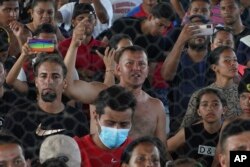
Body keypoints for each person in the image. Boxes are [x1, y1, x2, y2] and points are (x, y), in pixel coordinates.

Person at [64, 19, 167, 144]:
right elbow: (69, 87)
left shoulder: (156, 106)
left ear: (147, 71)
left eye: (141, 64)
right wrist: (74, 43)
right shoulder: (103, 94)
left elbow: (162, 149)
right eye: (129, 63)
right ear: (118, 69)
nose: (136, 68)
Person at [3, 53, 89, 161]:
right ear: (36, 82)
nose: (49, 81)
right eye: (43, 76)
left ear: (64, 83)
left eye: (55, 76)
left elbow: (84, 157)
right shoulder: (17, 115)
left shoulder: (77, 118)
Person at [161, 14, 212, 134]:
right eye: (194, 29)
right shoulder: (178, 57)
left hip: (212, 125)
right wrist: (180, 40)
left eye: (203, 28)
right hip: (180, 126)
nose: (198, 32)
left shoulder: (215, 58)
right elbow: (166, 75)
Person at [74, 85, 136, 167]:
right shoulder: (76, 149)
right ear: (96, 117)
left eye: (123, 124)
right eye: (110, 123)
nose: (116, 129)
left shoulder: (136, 151)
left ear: (131, 121)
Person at [181, 46, 241, 128]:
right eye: (227, 60)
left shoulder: (244, 93)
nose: (233, 63)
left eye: (235, 60)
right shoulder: (201, 94)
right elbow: (185, 128)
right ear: (214, 67)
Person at [167, 88, 225, 166]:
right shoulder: (189, 131)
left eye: (215, 104)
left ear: (224, 110)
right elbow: (163, 149)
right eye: (204, 104)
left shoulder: (232, 133)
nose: (210, 108)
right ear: (198, 112)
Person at [58, 3, 106, 82]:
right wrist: (78, 72)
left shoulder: (103, 47)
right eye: (81, 18)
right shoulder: (63, 46)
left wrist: (99, 74)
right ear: (73, 22)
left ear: (95, 22)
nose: (86, 22)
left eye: (90, 19)